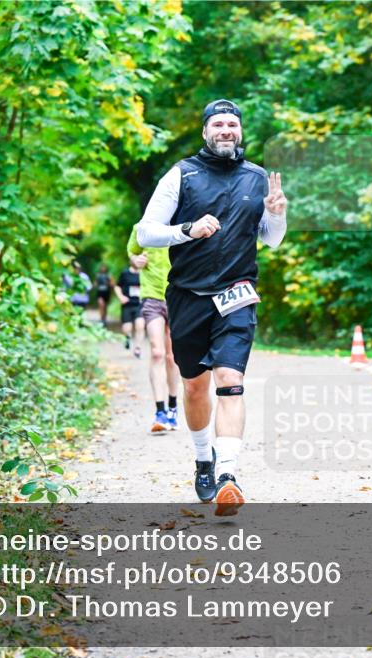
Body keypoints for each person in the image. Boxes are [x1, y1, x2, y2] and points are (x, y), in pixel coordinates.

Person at [136, 99, 287, 516]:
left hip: (236, 294)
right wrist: (188, 229)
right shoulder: (182, 175)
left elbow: (271, 240)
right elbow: (146, 233)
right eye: (218, 124)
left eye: (232, 125)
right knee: (194, 386)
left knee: (230, 380)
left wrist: (277, 215)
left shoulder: (258, 178)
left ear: (240, 131)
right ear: (205, 131)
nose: (226, 130)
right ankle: (204, 458)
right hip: (187, 296)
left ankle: (228, 474)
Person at [125, 226, 180, 433]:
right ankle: (160, 412)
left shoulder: (182, 221)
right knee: (157, 353)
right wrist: (135, 260)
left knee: (172, 356)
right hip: (152, 297)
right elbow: (132, 252)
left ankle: (173, 407)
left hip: (177, 295)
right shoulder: (143, 227)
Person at [115, 261, 145, 358]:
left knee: (140, 325)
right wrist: (121, 297)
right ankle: (127, 339)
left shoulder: (145, 273)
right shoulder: (125, 273)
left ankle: (138, 348)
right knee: (127, 328)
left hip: (139, 304)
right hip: (127, 304)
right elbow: (117, 286)